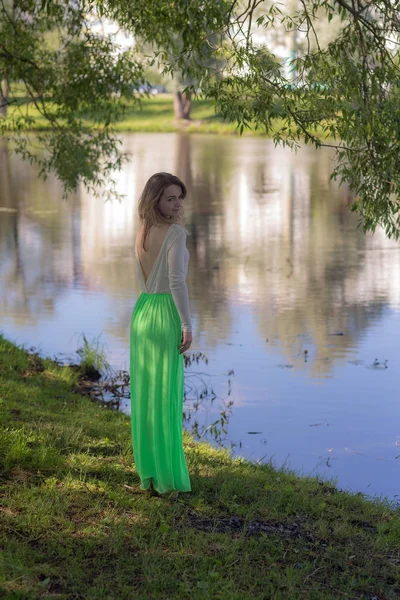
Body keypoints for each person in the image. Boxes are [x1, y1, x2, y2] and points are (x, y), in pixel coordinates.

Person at [130, 172, 193, 497]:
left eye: (179, 197)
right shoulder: (175, 233)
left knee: (146, 396)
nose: (177, 203)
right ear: (155, 199)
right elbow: (176, 281)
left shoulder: (143, 230)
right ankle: (166, 477)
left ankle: (150, 474)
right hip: (165, 313)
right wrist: (186, 324)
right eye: (170, 197)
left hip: (142, 313)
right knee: (165, 396)